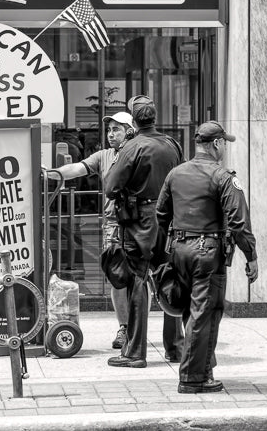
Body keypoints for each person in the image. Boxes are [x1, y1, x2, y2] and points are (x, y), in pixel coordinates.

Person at [156, 121, 258, 393]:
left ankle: (203, 369)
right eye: (224, 142)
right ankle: (193, 378)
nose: (225, 147)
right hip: (207, 252)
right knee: (205, 314)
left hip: (179, 250)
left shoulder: (175, 174)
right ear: (216, 144)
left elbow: (161, 214)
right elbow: (239, 223)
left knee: (191, 313)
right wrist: (251, 256)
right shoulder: (223, 177)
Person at [103, 96, 183, 368]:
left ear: (134, 122)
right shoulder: (172, 145)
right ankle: (175, 347)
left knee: (137, 282)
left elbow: (110, 188)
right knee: (168, 278)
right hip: (168, 220)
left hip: (139, 222)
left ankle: (135, 352)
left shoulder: (131, 146)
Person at [45, 111, 134, 350]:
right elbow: (77, 169)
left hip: (139, 224)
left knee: (141, 280)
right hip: (113, 225)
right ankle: (125, 327)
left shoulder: (138, 152)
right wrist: (51, 173)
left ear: (130, 130)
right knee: (117, 279)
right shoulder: (103, 156)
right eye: (109, 129)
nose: (111, 134)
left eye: (117, 129)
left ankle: (143, 328)